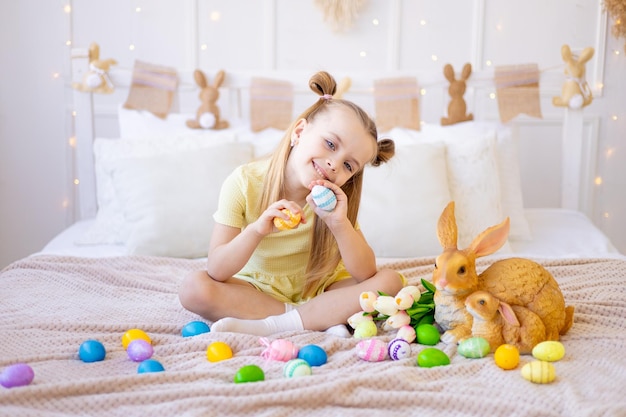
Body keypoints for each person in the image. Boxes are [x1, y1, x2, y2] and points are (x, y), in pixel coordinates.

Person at [178, 71, 404, 337]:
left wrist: (340, 224)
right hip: (259, 290)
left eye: (347, 165)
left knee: (391, 282)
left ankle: (280, 323)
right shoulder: (244, 182)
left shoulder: (333, 204)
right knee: (193, 288)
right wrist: (257, 231)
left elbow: (365, 273)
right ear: (299, 131)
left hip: (322, 288)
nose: (334, 164)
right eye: (330, 143)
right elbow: (216, 269)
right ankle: (316, 318)